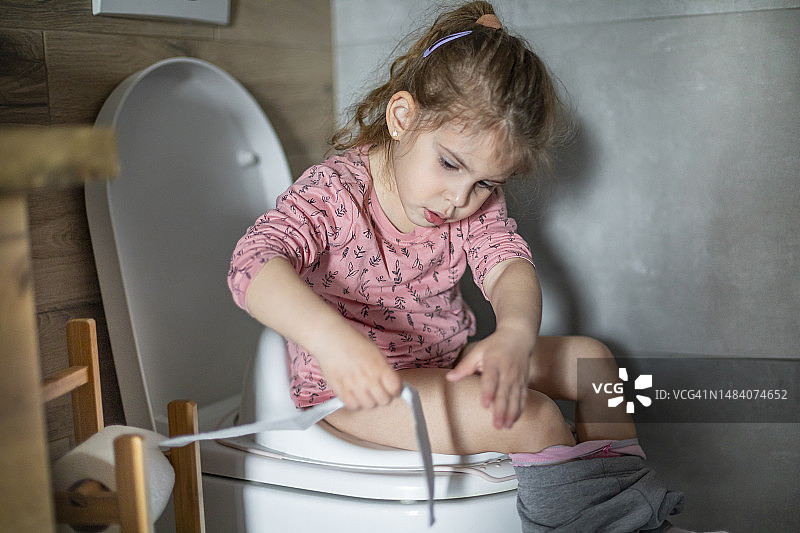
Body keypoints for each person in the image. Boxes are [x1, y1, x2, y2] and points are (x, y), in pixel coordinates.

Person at [228, 3, 724, 532]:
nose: (459, 199)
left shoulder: (468, 201)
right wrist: (332, 341)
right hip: (353, 393)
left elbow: (507, 264)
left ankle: (631, 516)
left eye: (487, 183)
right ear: (402, 117)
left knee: (595, 364)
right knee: (531, 417)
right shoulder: (335, 192)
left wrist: (514, 333)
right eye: (449, 164)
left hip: (440, 361)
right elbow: (253, 264)